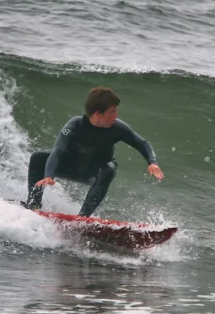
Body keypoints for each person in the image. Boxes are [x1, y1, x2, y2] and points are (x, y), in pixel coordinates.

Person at [23, 87, 164, 217]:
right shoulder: (74, 125)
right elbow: (58, 150)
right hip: (71, 166)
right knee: (38, 157)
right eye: (112, 111)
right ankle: (33, 205)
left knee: (109, 168)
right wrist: (49, 175)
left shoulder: (118, 128)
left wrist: (152, 162)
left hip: (94, 172)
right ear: (98, 113)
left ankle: (83, 218)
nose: (116, 115)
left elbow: (142, 143)